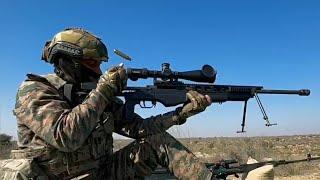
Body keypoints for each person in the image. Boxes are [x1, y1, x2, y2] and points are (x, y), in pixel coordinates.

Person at [9, 28, 214, 180]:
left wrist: (180, 114)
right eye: (92, 64)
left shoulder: (95, 95)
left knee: (157, 140)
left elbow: (138, 128)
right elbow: (65, 136)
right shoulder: (34, 89)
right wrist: (104, 91)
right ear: (68, 61)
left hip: (101, 174)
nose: (99, 72)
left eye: (100, 65)